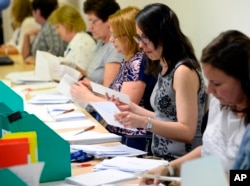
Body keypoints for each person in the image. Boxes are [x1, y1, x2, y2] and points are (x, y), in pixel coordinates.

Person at [140, 30, 250, 185]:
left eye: (217, 83)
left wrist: (204, 180)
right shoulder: (220, 104)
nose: (209, 90)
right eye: (209, 81)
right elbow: (208, 150)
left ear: (244, 80)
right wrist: (170, 168)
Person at [114, 3, 206, 161]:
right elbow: (166, 118)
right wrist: (133, 109)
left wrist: (144, 122)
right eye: (138, 37)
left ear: (163, 35)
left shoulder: (183, 71)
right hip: (162, 158)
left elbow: (187, 131)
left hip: (180, 162)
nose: (141, 45)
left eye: (145, 38)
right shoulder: (164, 65)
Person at [71, 6, 157, 151]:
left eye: (115, 36)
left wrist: (88, 97)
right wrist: (92, 87)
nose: (111, 40)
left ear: (128, 36)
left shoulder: (138, 62)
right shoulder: (128, 60)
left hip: (133, 140)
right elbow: (116, 96)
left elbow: (122, 107)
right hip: (121, 134)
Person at [82, 0, 123, 87]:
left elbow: (107, 90)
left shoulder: (114, 47)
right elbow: (93, 75)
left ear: (109, 20)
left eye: (93, 21)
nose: (90, 27)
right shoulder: (101, 42)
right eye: (89, 22)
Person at [48, 4, 96, 77]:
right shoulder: (78, 40)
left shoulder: (81, 44)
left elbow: (80, 77)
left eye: (58, 27)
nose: (56, 32)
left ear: (68, 24)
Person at [22, 0, 67, 64]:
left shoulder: (51, 27)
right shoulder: (45, 27)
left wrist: (37, 61)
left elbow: (57, 52)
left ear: (38, 11)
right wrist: (26, 36)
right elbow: (26, 57)